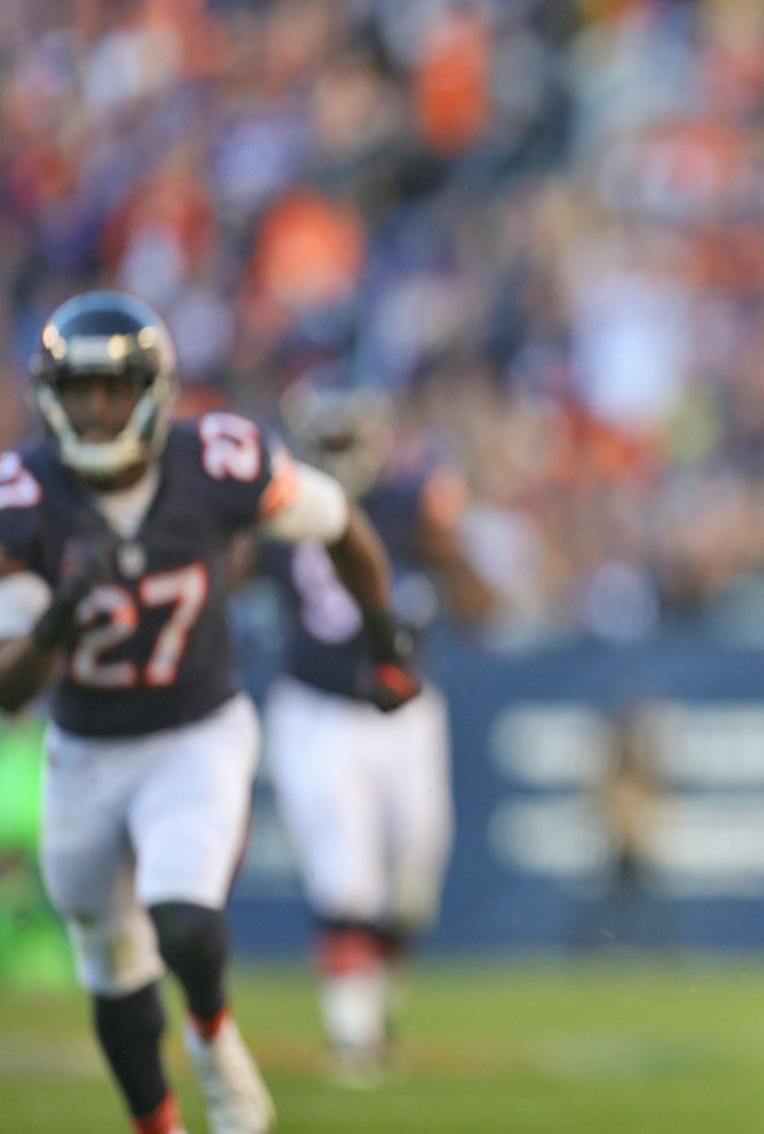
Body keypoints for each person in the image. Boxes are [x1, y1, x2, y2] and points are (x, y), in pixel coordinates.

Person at [0, 292, 420, 1134]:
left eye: (111, 389)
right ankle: (157, 1122)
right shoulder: (27, 498)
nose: (94, 408)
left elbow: (341, 525)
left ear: (152, 391)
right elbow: (9, 693)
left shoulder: (216, 461)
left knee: (184, 917)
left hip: (196, 731)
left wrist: (384, 645)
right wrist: (57, 613)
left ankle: (212, 1038)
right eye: (79, 391)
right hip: (83, 750)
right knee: (111, 969)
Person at [255, 381, 491, 1084]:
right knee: (346, 878)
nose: (336, 454)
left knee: (413, 883)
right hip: (318, 709)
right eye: (323, 440)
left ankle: (377, 1008)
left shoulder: (412, 502)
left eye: (343, 438)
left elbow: (483, 602)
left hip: (407, 713)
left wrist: (449, 543)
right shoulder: (277, 509)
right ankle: (354, 1039)